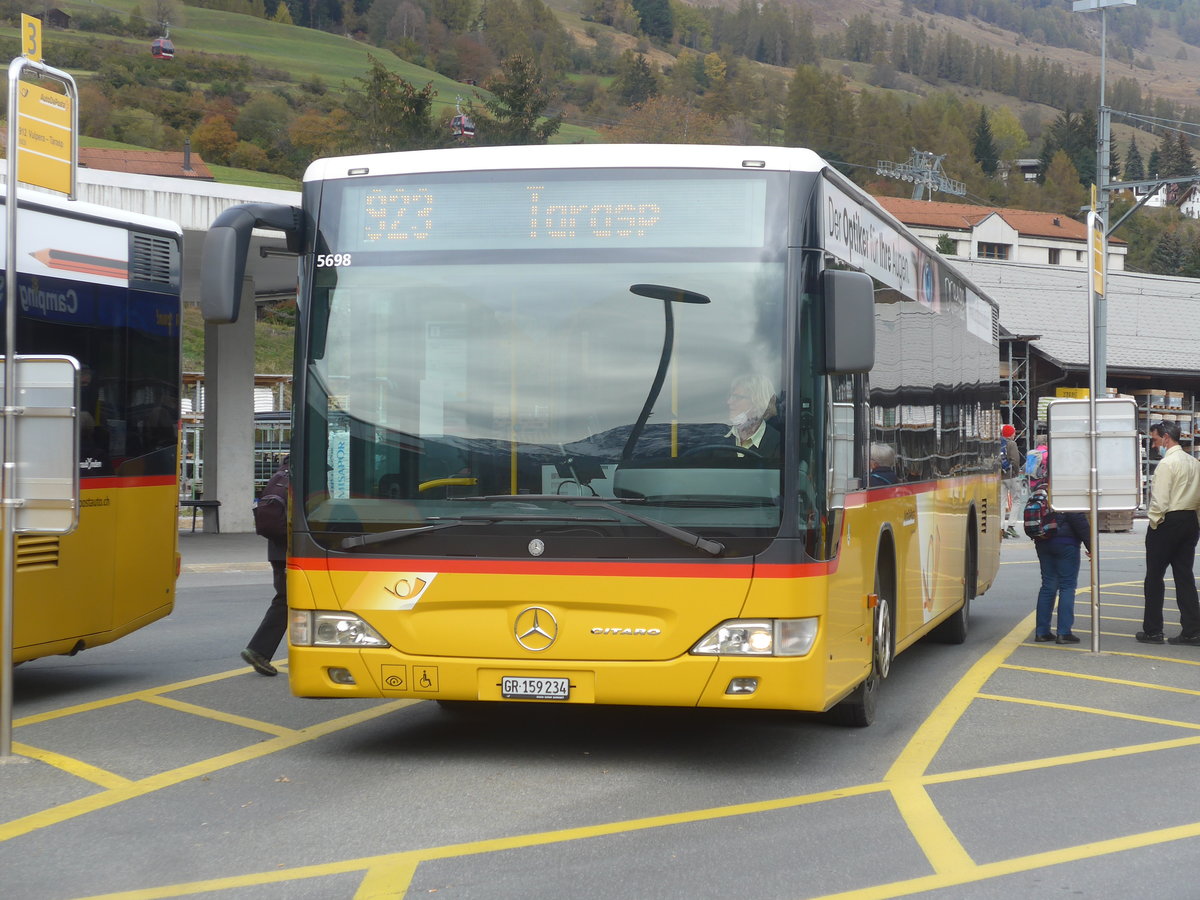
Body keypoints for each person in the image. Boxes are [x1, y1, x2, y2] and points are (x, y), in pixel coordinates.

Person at [1138, 421, 1200, 646]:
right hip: (1190, 519)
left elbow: (1160, 500)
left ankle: (1153, 630)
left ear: (1165, 438)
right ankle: (1192, 630)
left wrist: (1154, 522)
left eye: (1155, 440)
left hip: (1168, 521)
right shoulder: (1194, 462)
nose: (1155, 445)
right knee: (1184, 577)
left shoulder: (1167, 464)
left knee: (1154, 577)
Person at [241, 456, 290, 675]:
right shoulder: (302, 478)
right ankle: (258, 651)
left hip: (276, 550)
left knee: (284, 600)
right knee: (287, 602)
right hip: (295, 551)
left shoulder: (278, 477)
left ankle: (259, 651)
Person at [1033, 500, 1092, 644]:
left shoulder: (1041, 489)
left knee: (1048, 586)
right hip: (1066, 543)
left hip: (1043, 541)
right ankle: (1064, 633)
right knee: (1067, 586)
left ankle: (1042, 632)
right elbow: (1079, 522)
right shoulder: (1066, 491)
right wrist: (1092, 547)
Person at [725, 374, 780, 457]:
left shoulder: (778, 443)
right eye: (730, 396)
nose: (729, 402)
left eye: (737, 397)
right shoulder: (718, 436)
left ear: (758, 403)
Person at [1001, 423, 1022, 538]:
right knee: (1016, 500)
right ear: (1010, 433)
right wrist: (1016, 472)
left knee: (1002, 502)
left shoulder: (998, 443)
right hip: (1011, 476)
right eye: (1013, 432)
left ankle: (1001, 528)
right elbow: (1015, 460)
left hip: (1000, 477)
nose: (1014, 434)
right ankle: (1011, 526)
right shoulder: (1011, 443)